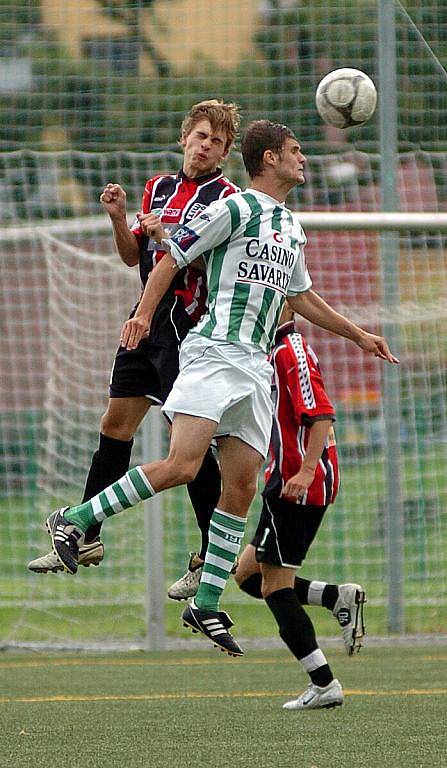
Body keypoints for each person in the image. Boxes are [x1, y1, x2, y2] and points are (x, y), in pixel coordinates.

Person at [43, 120, 398, 657]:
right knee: (184, 465)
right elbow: (169, 258)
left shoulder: (290, 226)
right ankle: (73, 518)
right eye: (296, 151)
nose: (304, 159)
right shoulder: (232, 208)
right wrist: (141, 316)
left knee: (241, 489)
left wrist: (359, 335)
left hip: (255, 368)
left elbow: (302, 298)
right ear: (272, 158)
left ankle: (205, 602)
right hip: (213, 352)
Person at [28, 99, 240, 574]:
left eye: (217, 142)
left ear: (224, 155)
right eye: (201, 136)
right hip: (144, 316)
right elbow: (132, 258)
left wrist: (167, 236)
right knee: (114, 425)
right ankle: (87, 536)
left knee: (186, 441)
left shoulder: (227, 198)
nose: (206, 146)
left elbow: (209, 263)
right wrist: (119, 218)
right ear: (185, 137)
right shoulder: (158, 187)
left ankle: (210, 554)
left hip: (184, 323)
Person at [233, 303, 365, 710]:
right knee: (247, 575)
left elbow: (322, 413)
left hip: (298, 485)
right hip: (283, 481)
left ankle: (323, 683)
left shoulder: (293, 351)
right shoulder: (270, 352)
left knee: (275, 586)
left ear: (283, 305)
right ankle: (334, 597)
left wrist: (306, 470)